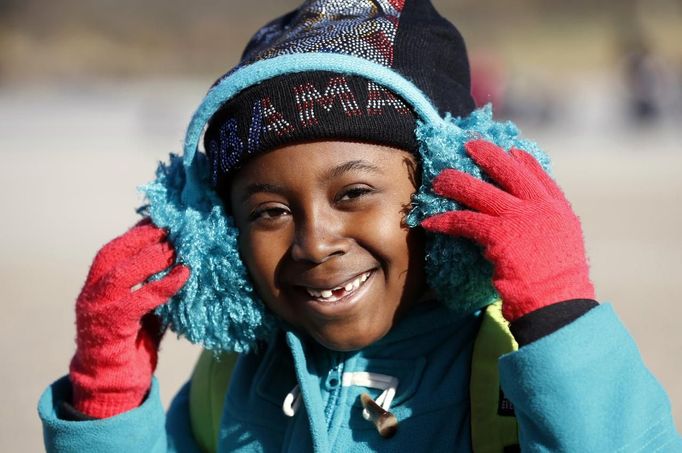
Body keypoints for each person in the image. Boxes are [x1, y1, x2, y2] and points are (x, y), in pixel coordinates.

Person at [38, 1, 681, 451]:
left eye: (354, 192)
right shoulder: (230, 379)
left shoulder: (514, 372)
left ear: (443, 188)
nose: (315, 242)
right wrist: (108, 398)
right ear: (218, 239)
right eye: (269, 211)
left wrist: (561, 317)